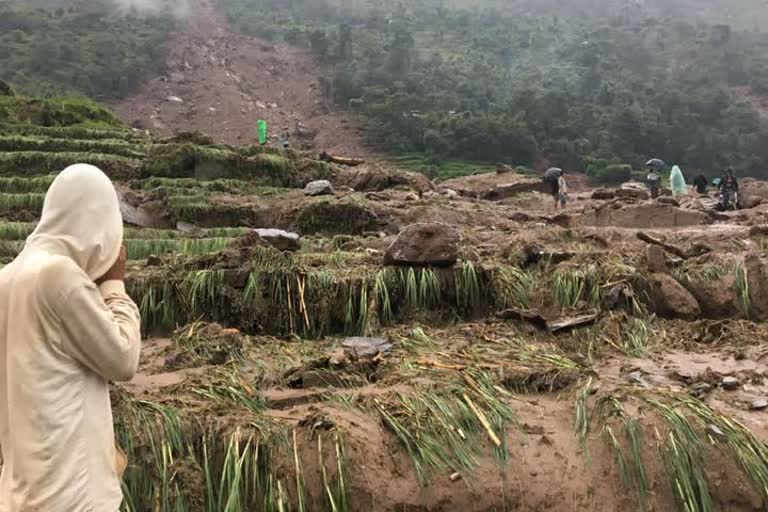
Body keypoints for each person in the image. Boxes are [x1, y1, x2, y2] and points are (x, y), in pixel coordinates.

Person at [0, 164, 141, 511]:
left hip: (22, 494)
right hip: (71, 496)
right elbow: (123, 358)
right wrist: (113, 284)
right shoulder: (59, 276)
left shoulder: (7, 278)